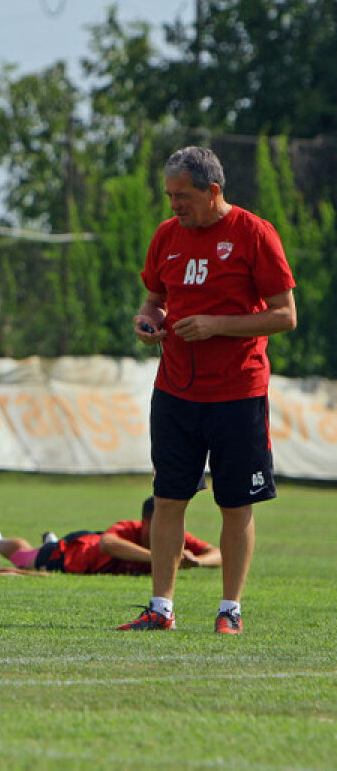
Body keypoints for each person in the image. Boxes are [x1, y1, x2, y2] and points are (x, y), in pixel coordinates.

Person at [123, 146, 296, 634]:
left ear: (213, 190)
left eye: (182, 196)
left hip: (238, 390)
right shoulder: (166, 236)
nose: (173, 205)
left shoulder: (253, 233)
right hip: (176, 389)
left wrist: (219, 325)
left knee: (234, 502)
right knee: (167, 497)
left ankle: (229, 611)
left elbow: (285, 314)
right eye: (169, 196)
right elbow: (155, 298)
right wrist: (147, 320)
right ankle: (160, 609)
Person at [0, 497, 221, 575]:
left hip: (82, 551)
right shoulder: (129, 528)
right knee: (24, 558)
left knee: (33, 555)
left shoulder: (174, 532)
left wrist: (198, 561)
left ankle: (47, 541)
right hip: (74, 553)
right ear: (145, 522)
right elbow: (107, 543)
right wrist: (160, 559)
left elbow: (219, 553)